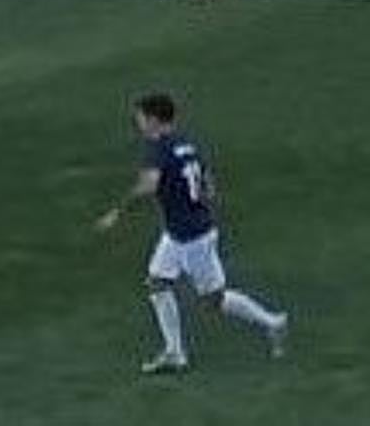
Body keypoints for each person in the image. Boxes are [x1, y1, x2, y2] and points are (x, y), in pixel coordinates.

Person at [95, 93, 290, 373]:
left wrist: (117, 212)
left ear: (153, 119)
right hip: (183, 232)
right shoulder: (187, 144)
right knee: (157, 282)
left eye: (140, 117)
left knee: (214, 300)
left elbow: (148, 187)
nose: (137, 123)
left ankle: (272, 323)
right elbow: (208, 184)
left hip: (191, 237)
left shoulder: (158, 149)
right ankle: (175, 352)